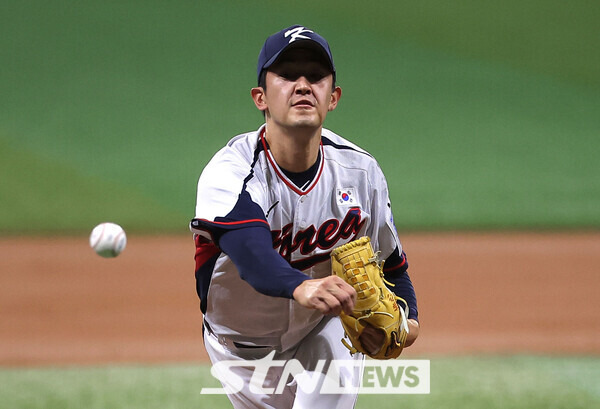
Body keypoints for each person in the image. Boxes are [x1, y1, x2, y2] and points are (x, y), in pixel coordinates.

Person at [190, 24, 419, 409]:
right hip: (242, 350)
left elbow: (393, 266)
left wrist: (407, 326)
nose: (302, 85)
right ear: (259, 97)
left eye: (315, 76)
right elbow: (250, 255)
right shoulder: (231, 172)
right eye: (287, 75)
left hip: (323, 331)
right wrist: (301, 286)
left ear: (333, 98)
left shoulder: (360, 173)